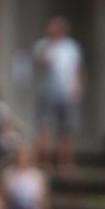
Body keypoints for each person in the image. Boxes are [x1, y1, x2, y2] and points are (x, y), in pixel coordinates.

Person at [32, 16, 84, 175]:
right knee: (45, 127)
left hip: (67, 93)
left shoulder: (72, 46)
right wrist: (50, 41)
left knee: (67, 129)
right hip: (48, 92)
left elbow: (78, 68)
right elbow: (42, 61)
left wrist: (79, 85)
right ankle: (44, 162)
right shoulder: (43, 45)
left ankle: (66, 164)